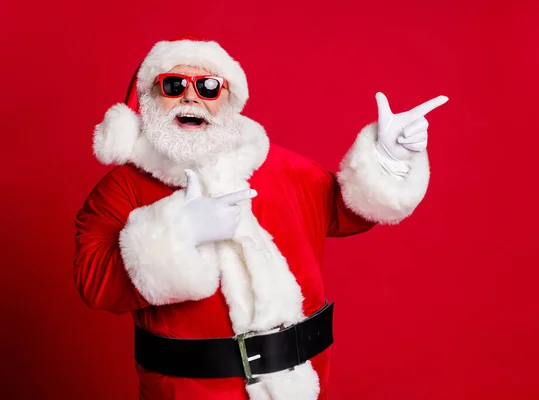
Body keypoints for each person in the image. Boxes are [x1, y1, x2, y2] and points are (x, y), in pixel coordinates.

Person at [73, 35, 448, 400]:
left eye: (207, 86)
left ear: (229, 101)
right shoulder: (121, 189)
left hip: (299, 385)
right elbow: (94, 281)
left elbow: (346, 209)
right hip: (187, 391)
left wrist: (388, 158)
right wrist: (179, 232)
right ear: (151, 99)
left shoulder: (283, 168)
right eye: (173, 85)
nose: (191, 96)